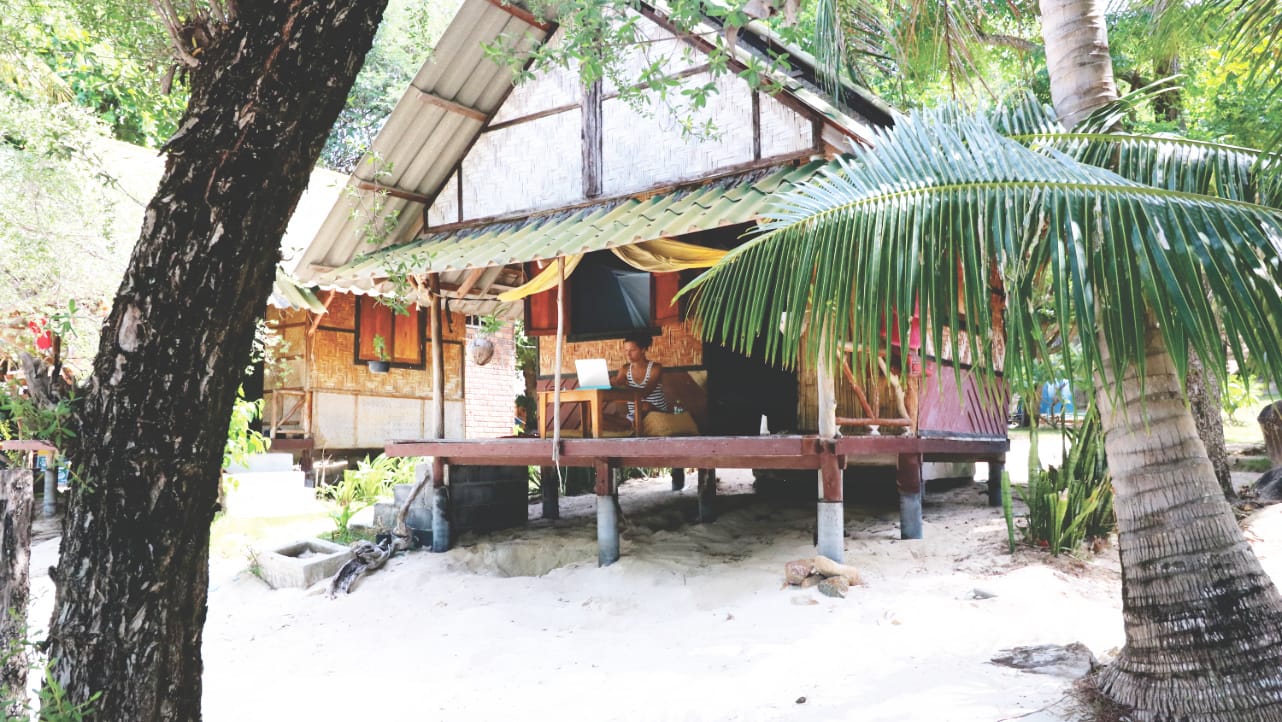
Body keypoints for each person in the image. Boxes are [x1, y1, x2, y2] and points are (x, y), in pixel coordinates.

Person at [611, 332, 669, 421]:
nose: (628, 354)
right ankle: (632, 424)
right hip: (634, 415)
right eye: (626, 350)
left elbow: (645, 393)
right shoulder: (625, 369)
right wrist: (612, 382)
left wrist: (624, 386)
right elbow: (618, 388)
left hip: (656, 412)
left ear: (643, 350)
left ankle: (633, 426)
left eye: (632, 350)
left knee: (645, 405)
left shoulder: (655, 368)